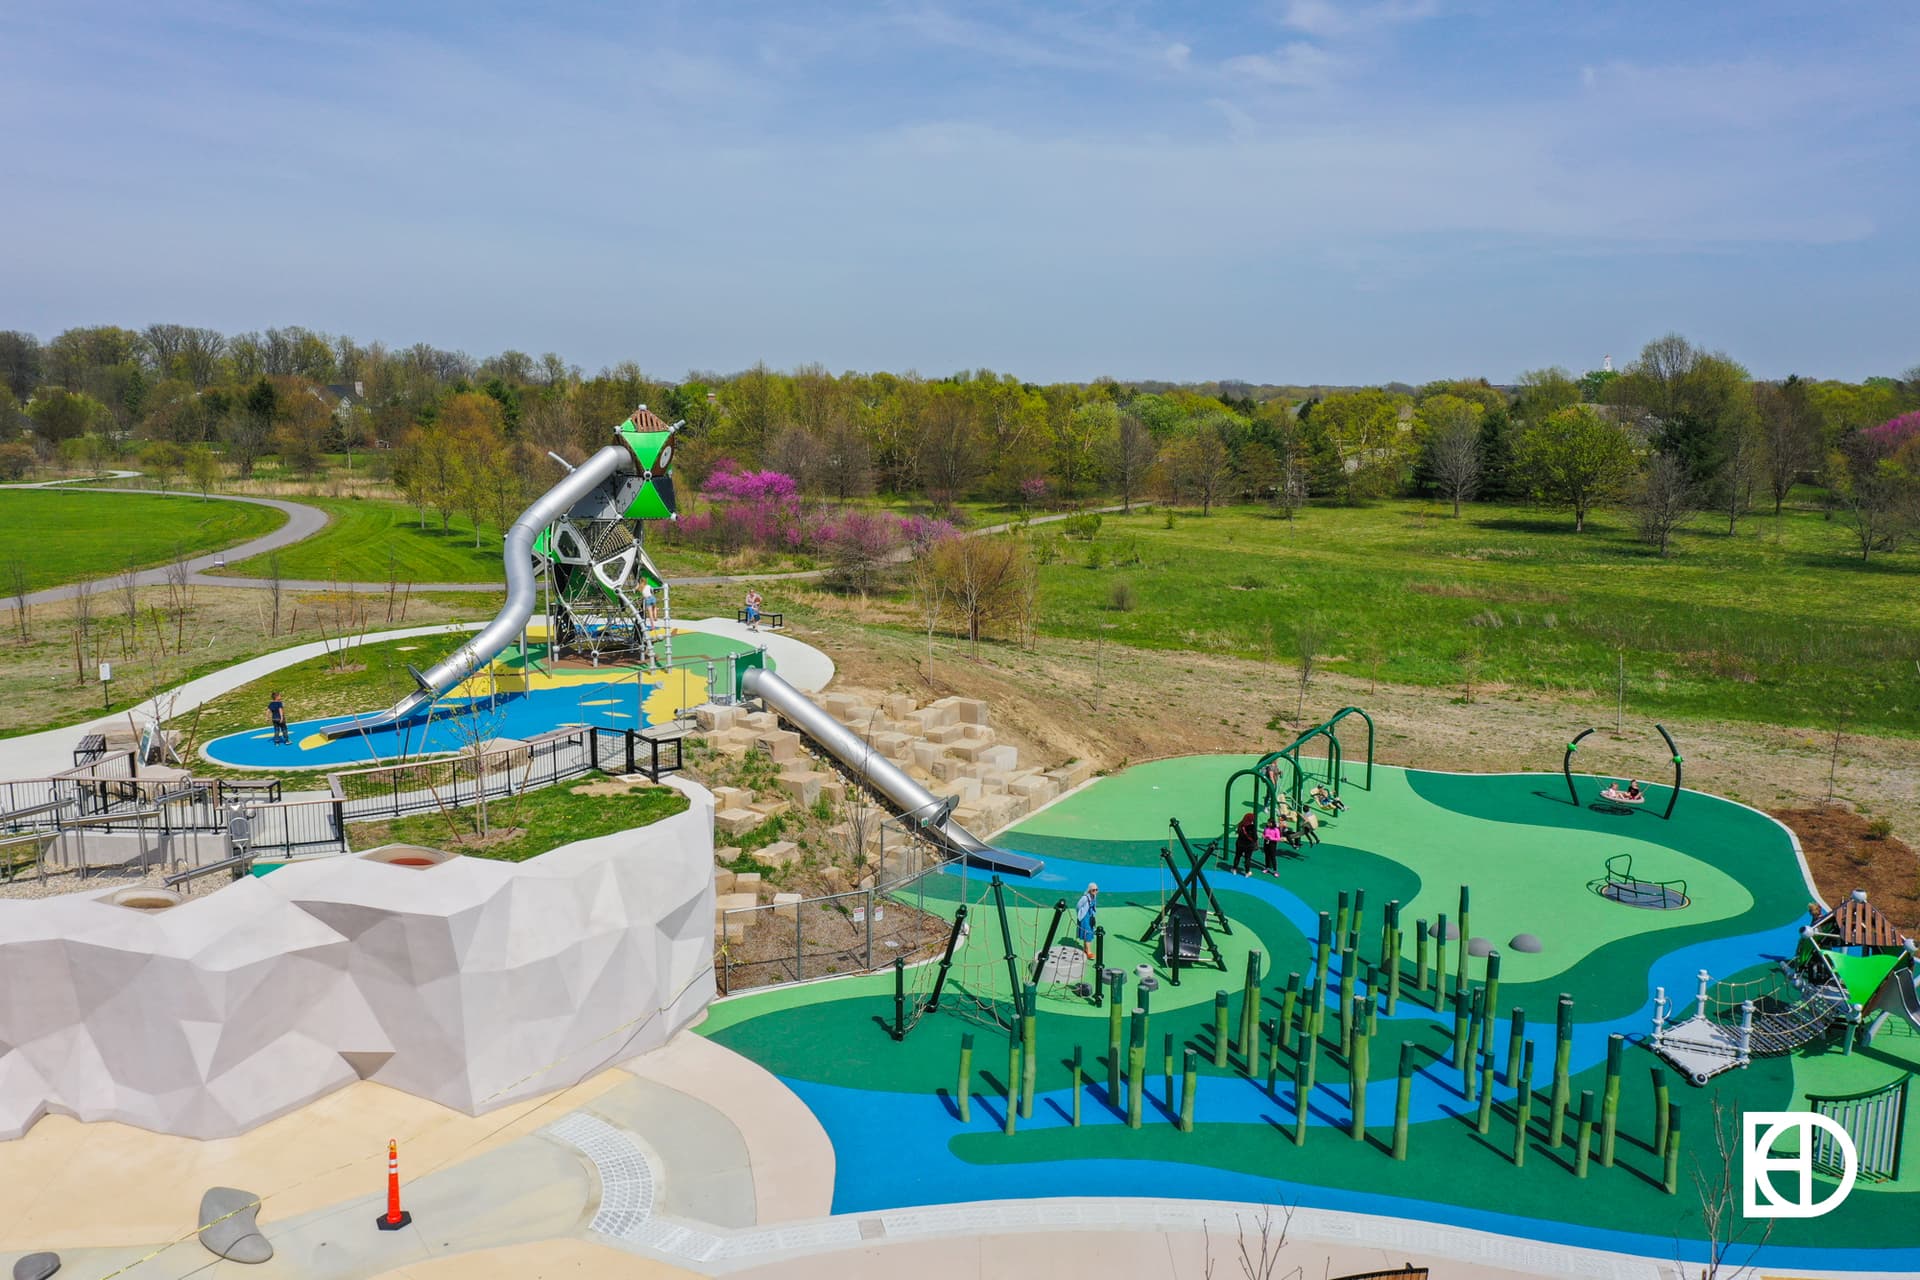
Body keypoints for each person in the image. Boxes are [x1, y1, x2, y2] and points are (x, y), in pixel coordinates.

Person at [1075, 883, 1099, 956]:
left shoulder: (1094, 896)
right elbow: (1078, 906)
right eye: (1093, 890)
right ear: (1089, 890)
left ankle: (1085, 949)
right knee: (1088, 933)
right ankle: (1089, 952)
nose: (1095, 891)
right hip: (1085, 917)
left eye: (1096, 890)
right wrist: (1080, 914)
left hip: (1090, 916)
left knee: (1089, 932)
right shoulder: (1085, 898)